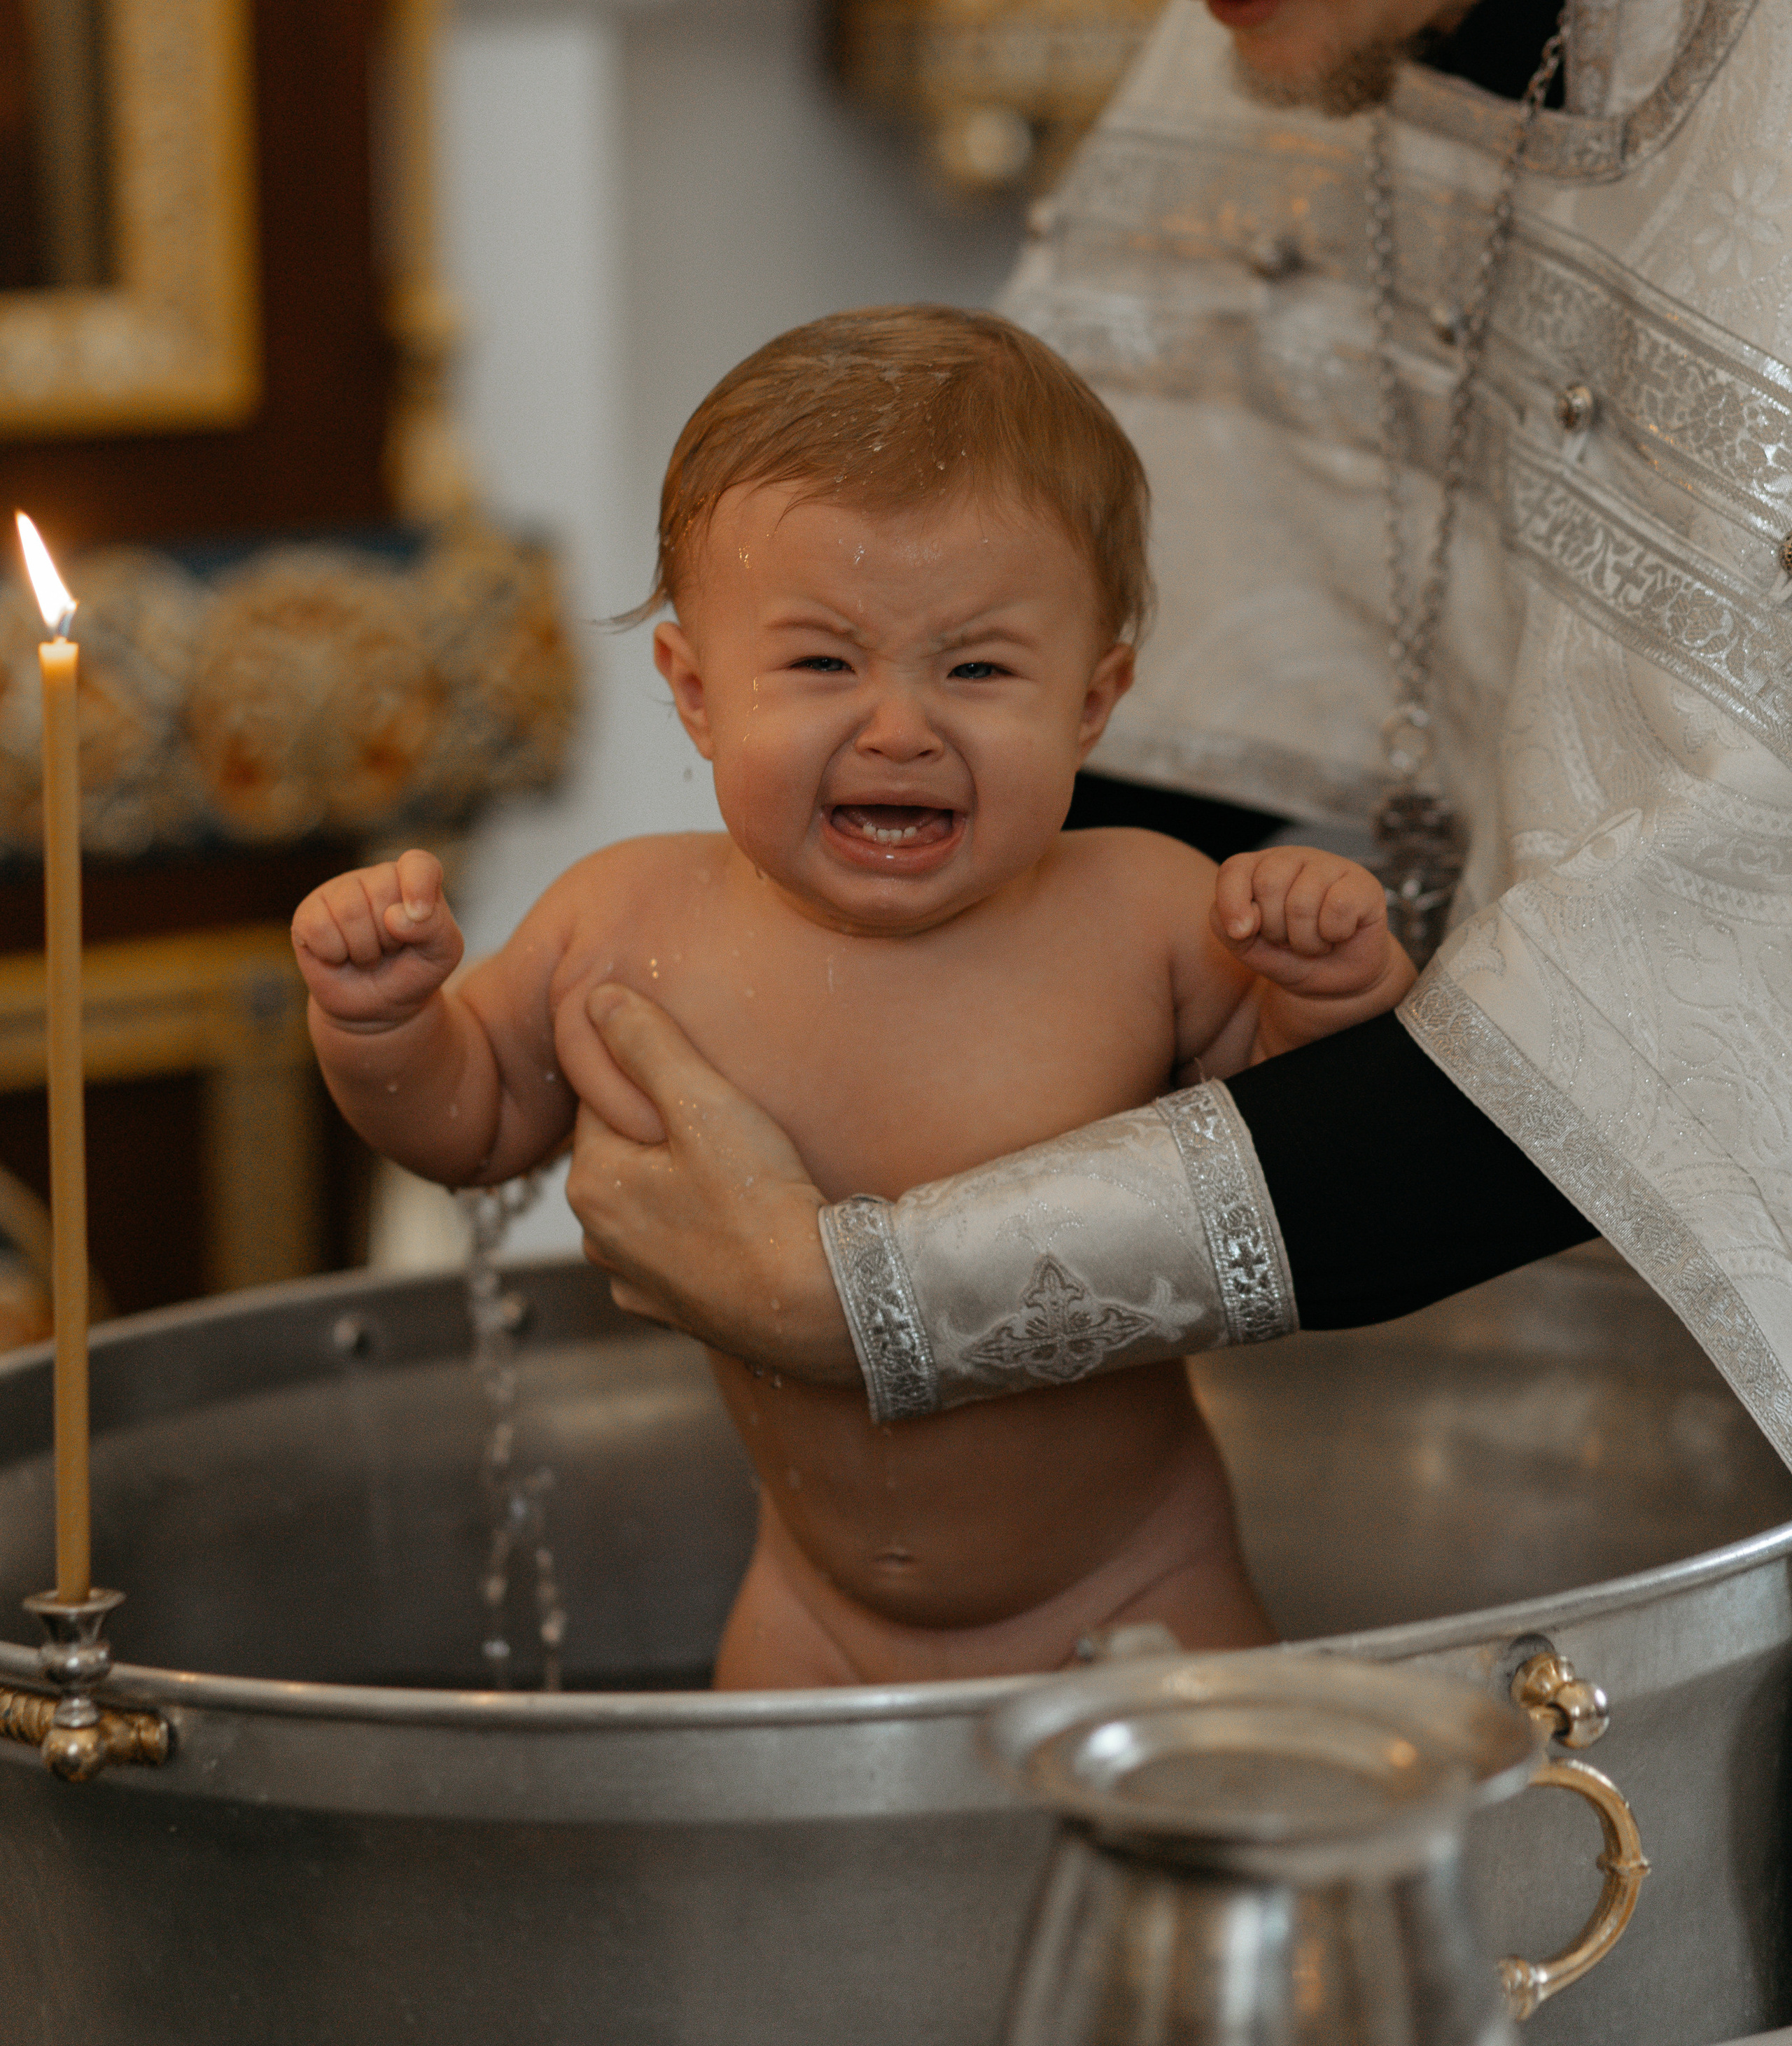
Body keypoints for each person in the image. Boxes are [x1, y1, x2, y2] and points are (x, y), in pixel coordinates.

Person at [564, 0, 1792, 1466]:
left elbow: (1700, 986)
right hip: (1422, 1370)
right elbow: (1117, 740)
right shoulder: (1277, 15)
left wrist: (875, 1285)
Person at [292, 308, 1412, 1681]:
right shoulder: (624, 922)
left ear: (1092, 701)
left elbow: (1305, 1149)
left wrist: (1326, 984)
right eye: (823, 662)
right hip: (814, 1613)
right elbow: (466, 1134)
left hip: (1135, 1592)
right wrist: (386, 1026)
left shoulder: (1149, 913)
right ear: (695, 694)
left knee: (1208, 1872)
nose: (899, 726)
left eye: (978, 668)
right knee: (764, 1894)